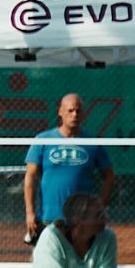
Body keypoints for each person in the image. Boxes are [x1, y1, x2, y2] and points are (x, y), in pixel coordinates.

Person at [23, 94, 116, 246]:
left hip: (82, 222)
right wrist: (30, 212)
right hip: (49, 220)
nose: (74, 115)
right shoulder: (42, 140)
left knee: (81, 266)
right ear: (60, 112)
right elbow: (30, 177)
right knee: (48, 267)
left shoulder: (93, 143)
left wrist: (99, 207)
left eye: (78, 111)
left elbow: (109, 177)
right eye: (70, 110)